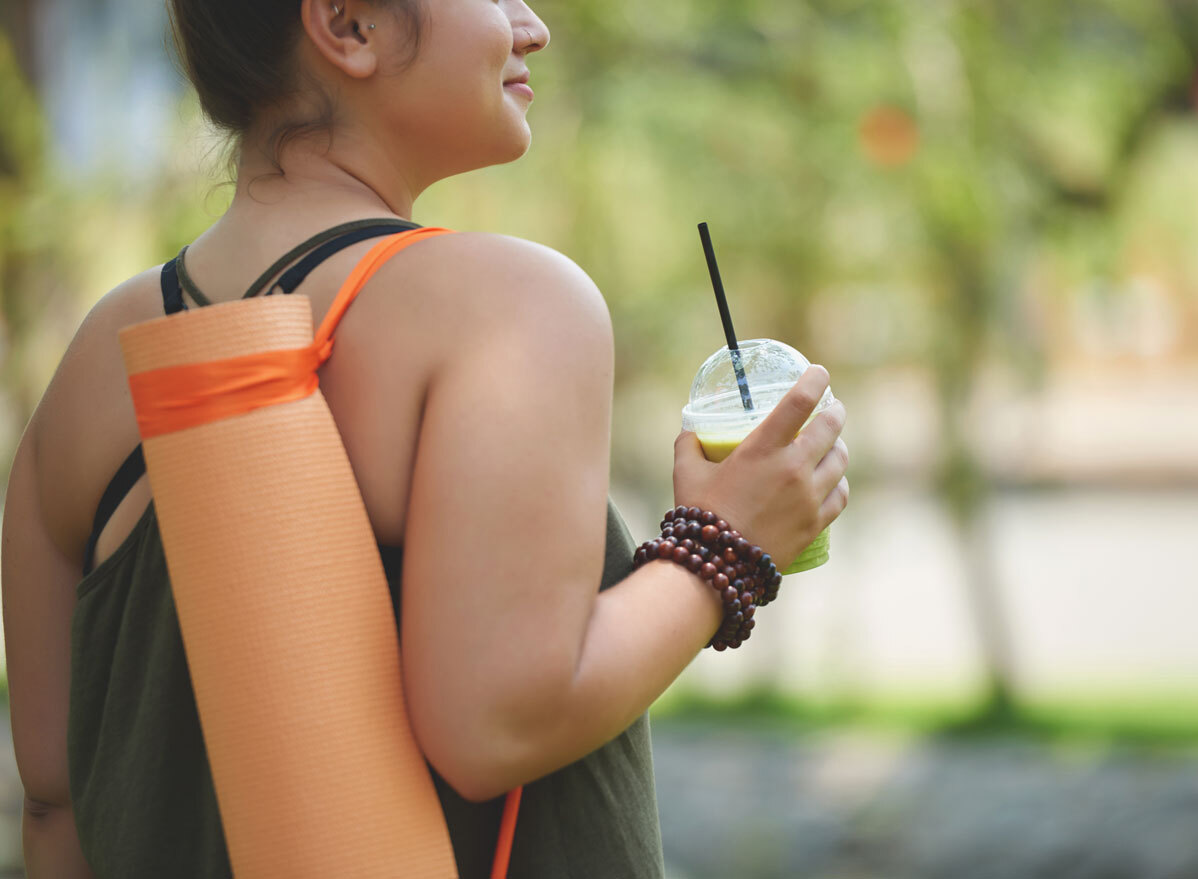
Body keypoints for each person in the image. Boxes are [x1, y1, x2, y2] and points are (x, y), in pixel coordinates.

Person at [0, 0, 850, 876]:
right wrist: (726, 543)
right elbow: (497, 723)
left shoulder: (97, 360)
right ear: (348, 25)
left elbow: (54, 805)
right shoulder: (508, 306)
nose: (533, 25)